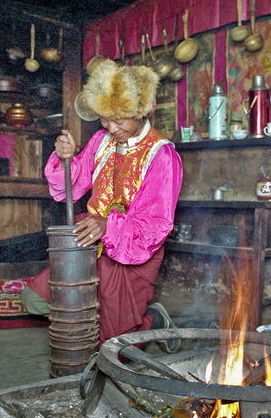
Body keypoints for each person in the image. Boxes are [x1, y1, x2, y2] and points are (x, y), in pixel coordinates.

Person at [22, 59, 184, 350]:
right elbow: (72, 188)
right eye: (105, 119)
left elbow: (156, 224)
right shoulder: (101, 140)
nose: (111, 126)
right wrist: (66, 158)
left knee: (115, 349)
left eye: (119, 119)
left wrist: (108, 225)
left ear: (143, 110)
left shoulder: (162, 156)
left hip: (134, 250)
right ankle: (105, 325)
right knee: (35, 300)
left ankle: (152, 322)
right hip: (89, 237)